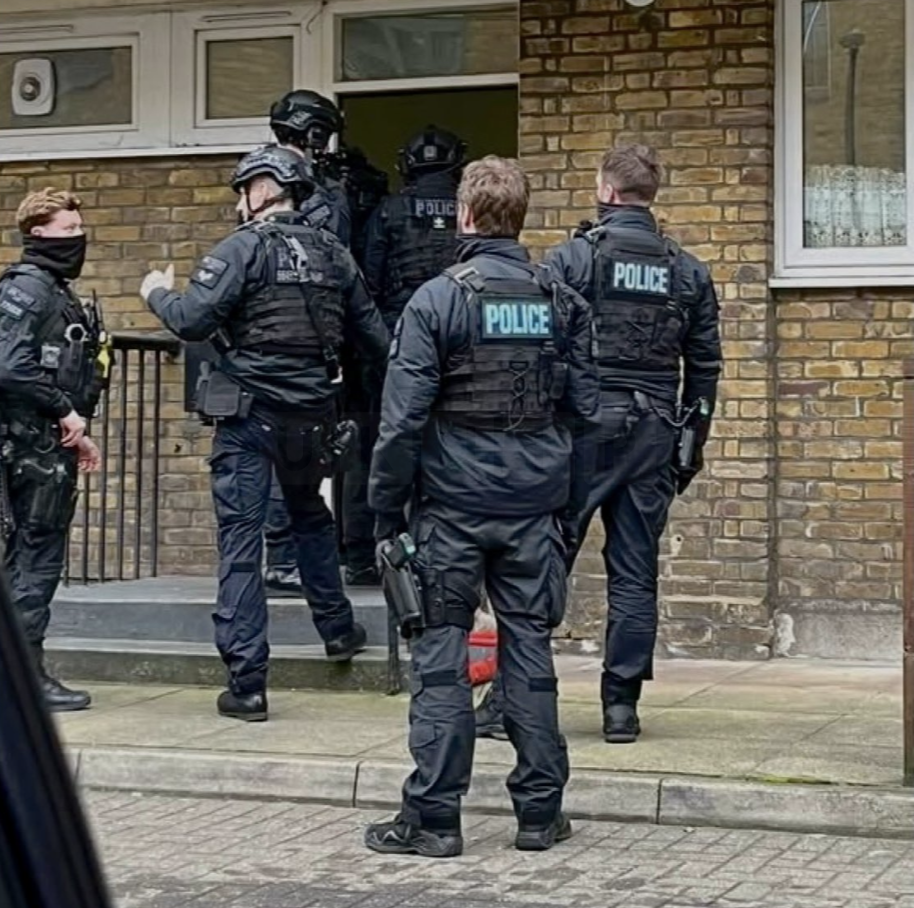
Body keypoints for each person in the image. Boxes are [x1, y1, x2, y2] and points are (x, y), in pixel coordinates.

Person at [364, 156, 600, 857]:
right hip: (535, 507)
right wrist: (567, 508)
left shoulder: (437, 301)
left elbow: (401, 422)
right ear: (518, 218)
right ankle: (540, 813)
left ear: (464, 215)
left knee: (441, 655)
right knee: (529, 651)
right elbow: (586, 416)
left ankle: (434, 819)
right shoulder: (562, 303)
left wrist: (385, 512)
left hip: (452, 508)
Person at [476, 143, 722, 745]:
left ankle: (512, 702)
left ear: (607, 191)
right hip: (655, 432)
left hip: (583, 431)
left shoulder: (573, 259)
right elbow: (705, 370)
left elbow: (540, 349)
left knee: (543, 564)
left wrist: (534, 431)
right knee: (635, 573)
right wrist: (689, 447)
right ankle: (621, 708)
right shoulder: (687, 271)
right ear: (649, 195)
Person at [139, 146, 389, 722]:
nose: (238, 201)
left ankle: (247, 684)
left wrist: (156, 291)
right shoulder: (334, 254)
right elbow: (375, 338)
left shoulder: (242, 248)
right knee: (311, 518)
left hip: (249, 418)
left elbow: (191, 320)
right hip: (312, 416)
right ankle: (338, 630)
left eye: (242, 189)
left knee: (241, 543)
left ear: (262, 189)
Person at [340, 126, 466, 585]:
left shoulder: (388, 211)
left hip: (396, 341)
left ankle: (365, 556)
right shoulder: (467, 211)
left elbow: (367, 282)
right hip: (458, 342)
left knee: (378, 444)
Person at [0, 188, 107, 712]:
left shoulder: (53, 290)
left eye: (79, 229)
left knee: (29, 558)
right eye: (68, 230)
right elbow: (8, 365)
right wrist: (64, 411)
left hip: (46, 444)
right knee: (34, 561)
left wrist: (76, 429)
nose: (78, 238)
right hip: (30, 446)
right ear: (37, 233)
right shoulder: (29, 289)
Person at [262, 89, 353, 596]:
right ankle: (282, 559)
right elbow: (329, 249)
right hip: (302, 338)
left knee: (293, 454)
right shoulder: (302, 184)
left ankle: (287, 557)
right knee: (295, 454)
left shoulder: (259, 177)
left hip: (279, 336)